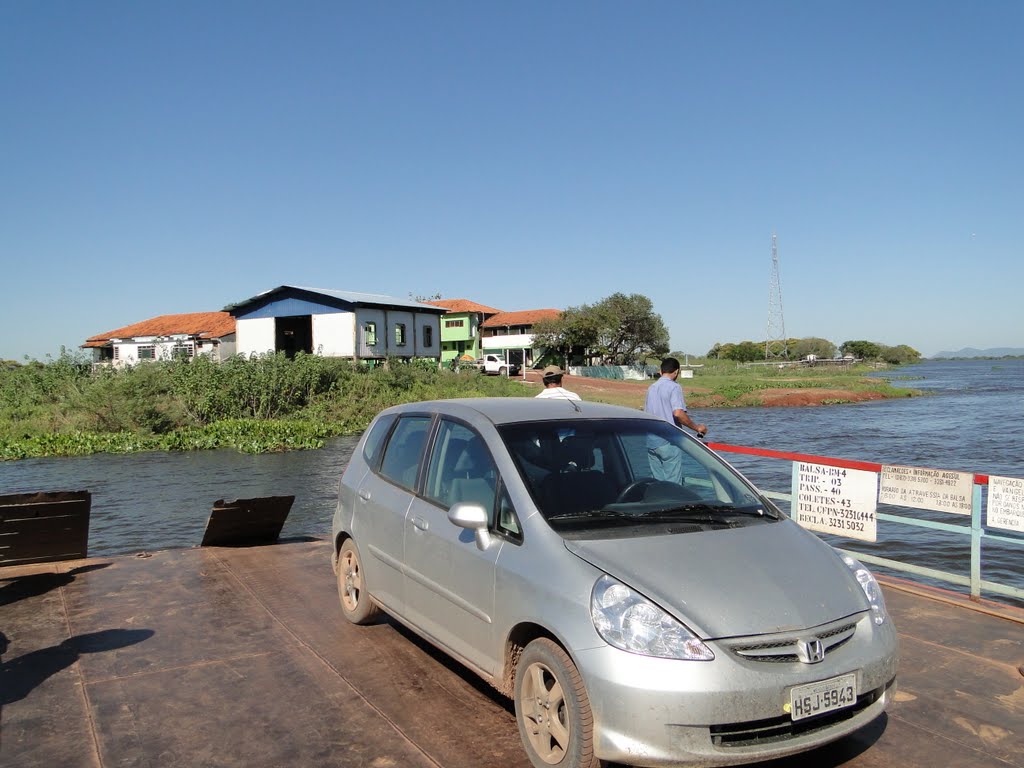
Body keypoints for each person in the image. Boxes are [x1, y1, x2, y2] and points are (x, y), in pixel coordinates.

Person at [644, 357, 707, 481]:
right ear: (676, 372)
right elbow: (678, 413)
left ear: (661, 371)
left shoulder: (652, 388)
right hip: (668, 441)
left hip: (651, 441)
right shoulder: (674, 387)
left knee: (658, 483)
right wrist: (697, 428)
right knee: (673, 485)